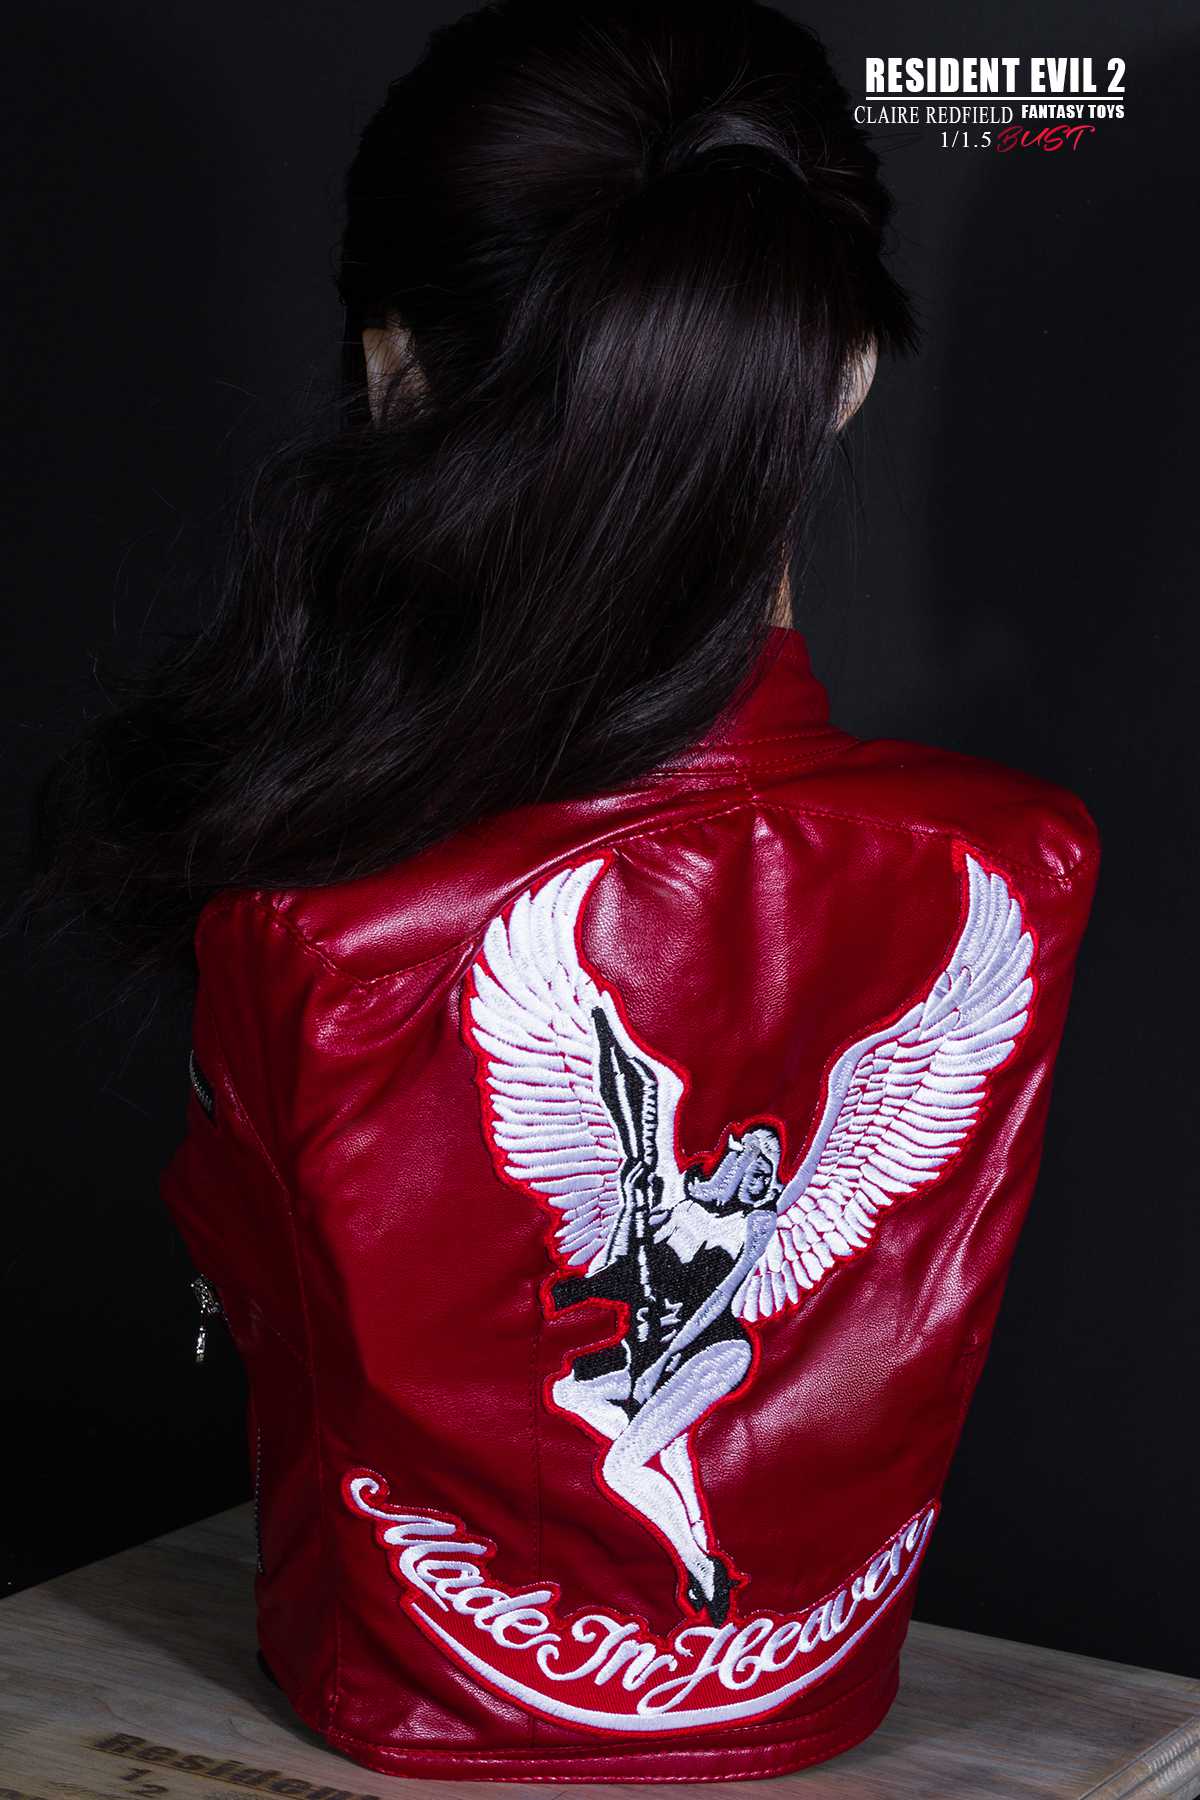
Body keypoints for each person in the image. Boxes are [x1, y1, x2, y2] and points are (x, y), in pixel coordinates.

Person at [29, 0, 1099, 1784]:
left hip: (412, 1695)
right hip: (818, 1694)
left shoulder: (311, 936)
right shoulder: (1020, 866)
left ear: (395, 373)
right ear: (843, 372)